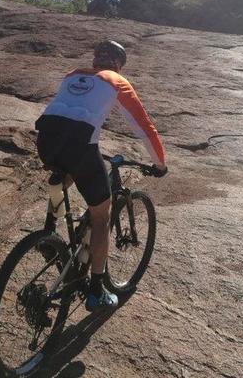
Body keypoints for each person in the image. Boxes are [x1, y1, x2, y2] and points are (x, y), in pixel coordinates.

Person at [35, 40, 167, 312]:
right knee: (101, 217)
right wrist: (160, 164)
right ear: (118, 64)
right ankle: (96, 290)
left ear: (95, 61)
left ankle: (50, 234)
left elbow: (69, 110)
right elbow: (145, 128)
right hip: (81, 147)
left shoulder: (73, 74)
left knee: (66, 170)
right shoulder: (117, 81)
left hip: (46, 140)